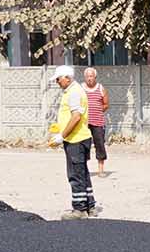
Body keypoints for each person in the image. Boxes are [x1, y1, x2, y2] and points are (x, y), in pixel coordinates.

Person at [48, 66, 96, 218]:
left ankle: (80, 209)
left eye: (58, 79)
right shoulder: (72, 91)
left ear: (67, 78)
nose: (57, 82)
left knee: (75, 174)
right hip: (79, 138)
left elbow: (76, 117)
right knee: (83, 173)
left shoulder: (74, 92)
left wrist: (62, 135)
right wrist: (60, 126)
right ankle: (90, 205)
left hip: (76, 139)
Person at [81, 67, 112, 174]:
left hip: (98, 122)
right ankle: (84, 170)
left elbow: (106, 104)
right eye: (87, 76)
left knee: (100, 145)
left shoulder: (100, 88)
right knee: (84, 145)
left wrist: (98, 110)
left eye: (91, 76)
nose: (89, 78)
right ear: (85, 77)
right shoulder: (81, 88)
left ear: (95, 77)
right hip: (84, 123)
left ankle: (101, 170)